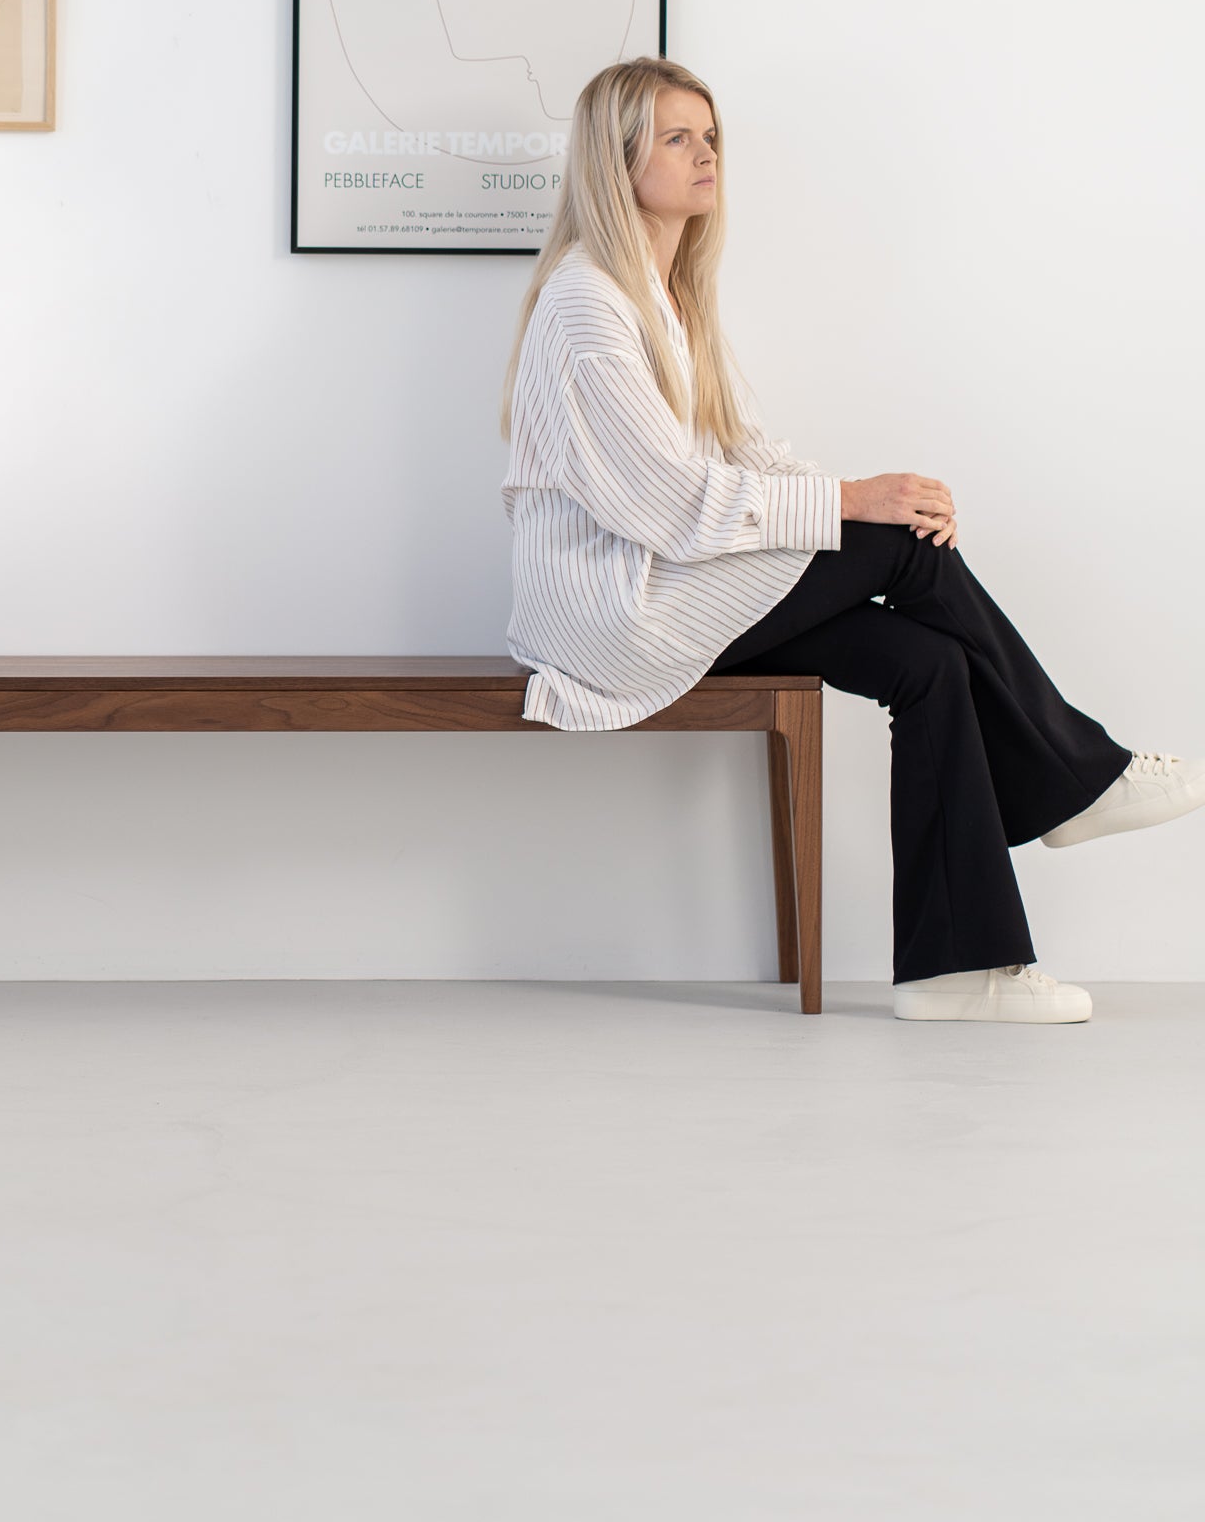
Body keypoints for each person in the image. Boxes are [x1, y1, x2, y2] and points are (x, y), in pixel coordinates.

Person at [499, 57, 1202, 1023]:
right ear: (617, 164)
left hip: (677, 590)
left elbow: (744, 450)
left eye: (711, 138)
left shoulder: (663, 296)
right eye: (677, 139)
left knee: (928, 665)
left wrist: (880, 494)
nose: (706, 156)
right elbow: (668, 503)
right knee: (908, 550)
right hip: (619, 614)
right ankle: (1082, 777)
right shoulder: (589, 304)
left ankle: (961, 970)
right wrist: (860, 504)